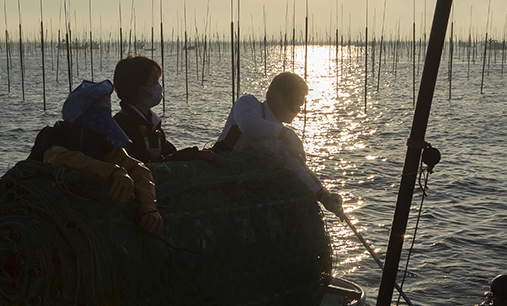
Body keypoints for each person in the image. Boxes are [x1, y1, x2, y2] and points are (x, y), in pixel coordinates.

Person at [28, 80, 162, 233]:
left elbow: (138, 169)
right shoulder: (52, 137)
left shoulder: (101, 144)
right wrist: (114, 171)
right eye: (93, 129)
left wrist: (149, 206)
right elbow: (63, 158)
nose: (99, 135)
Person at [215, 72, 342, 215]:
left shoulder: (282, 138)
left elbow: (298, 167)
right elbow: (249, 126)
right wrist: (286, 134)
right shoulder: (248, 104)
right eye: (295, 103)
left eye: (300, 106)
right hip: (222, 175)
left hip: (252, 189)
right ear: (276, 97)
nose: (298, 110)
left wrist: (324, 195)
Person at [111, 55, 221, 165]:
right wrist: (193, 154)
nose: (159, 87)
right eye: (154, 81)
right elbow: (150, 164)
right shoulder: (123, 124)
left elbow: (169, 154)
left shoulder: (152, 123)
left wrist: (201, 153)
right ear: (138, 88)